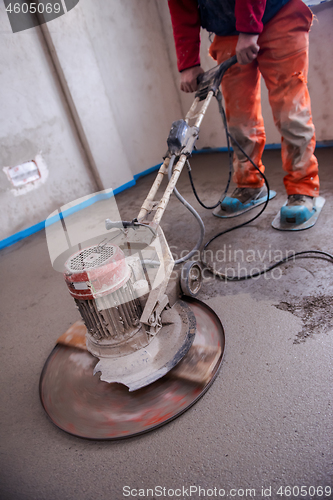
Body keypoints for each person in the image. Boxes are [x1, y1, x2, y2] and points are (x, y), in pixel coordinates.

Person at [168, 0, 320, 226]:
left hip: (278, 13)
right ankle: (250, 186)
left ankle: (303, 189)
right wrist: (187, 62)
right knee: (239, 120)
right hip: (228, 30)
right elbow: (181, 6)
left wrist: (249, 29)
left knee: (291, 114)